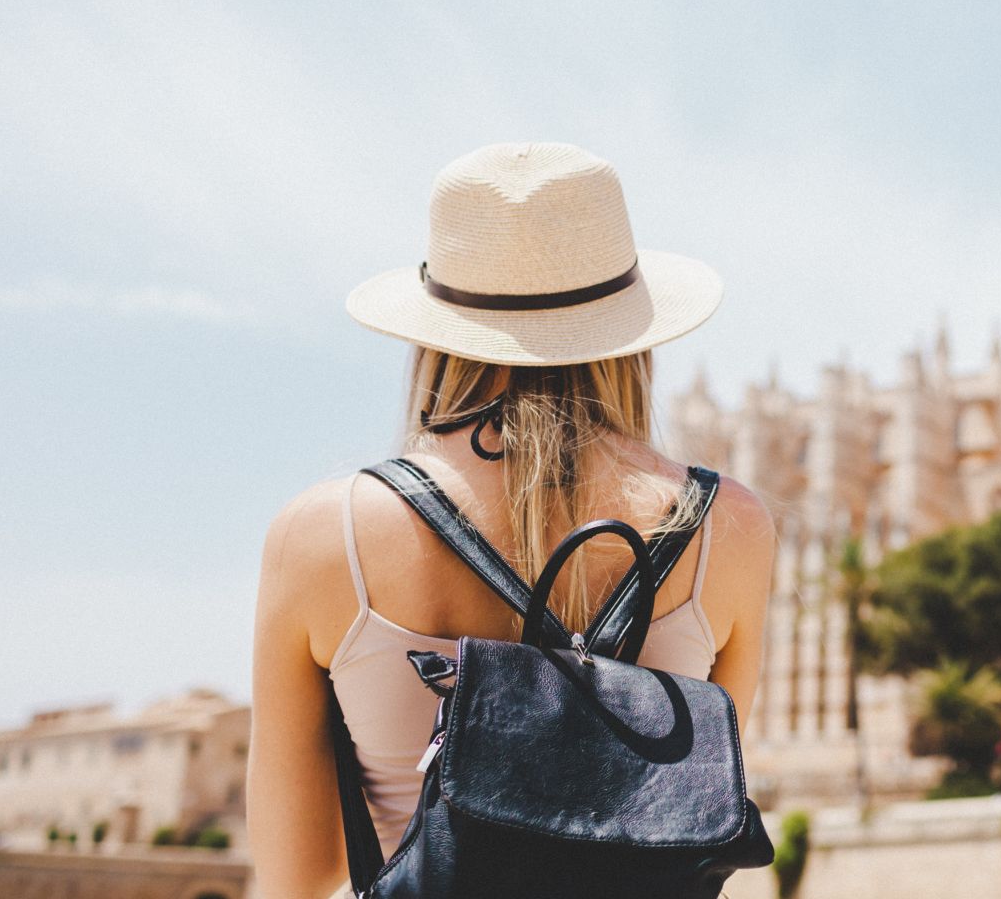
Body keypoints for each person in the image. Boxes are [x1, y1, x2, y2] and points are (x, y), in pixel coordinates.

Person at [246, 143, 778, 898]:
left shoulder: (325, 535)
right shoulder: (729, 526)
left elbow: (300, 873)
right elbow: (679, 821)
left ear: (436, 331)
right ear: (632, 330)